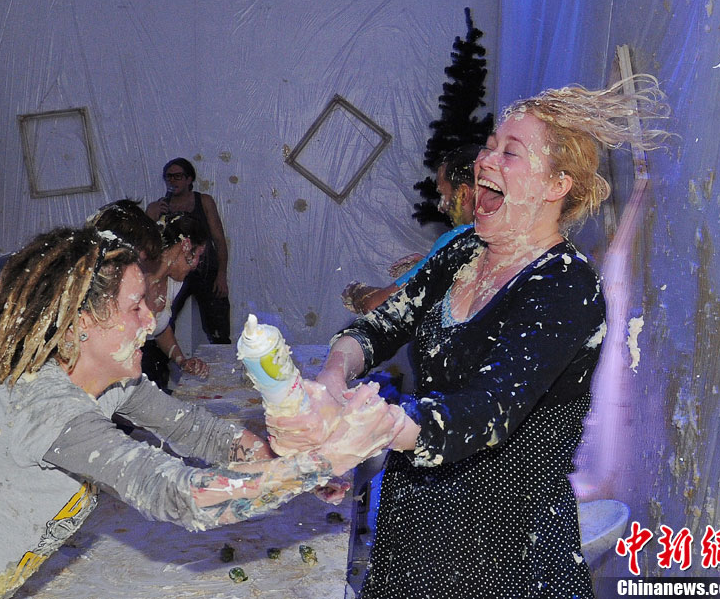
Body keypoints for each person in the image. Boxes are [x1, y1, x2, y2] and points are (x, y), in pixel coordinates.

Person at [0, 226, 404, 599]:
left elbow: (198, 432)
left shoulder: (110, 385)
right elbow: (175, 493)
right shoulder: (43, 407)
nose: (151, 322)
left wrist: (286, 461)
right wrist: (318, 464)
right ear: (82, 323)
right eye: (135, 306)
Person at [270, 75, 669, 598]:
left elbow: (486, 410)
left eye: (511, 152)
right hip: (417, 524)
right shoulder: (464, 253)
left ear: (556, 185)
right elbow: (382, 324)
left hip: (504, 545)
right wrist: (332, 375)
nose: (485, 161)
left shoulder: (566, 284)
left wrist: (369, 427)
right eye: (489, 145)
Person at [0, 200, 162, 457]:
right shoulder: (45, 289)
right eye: (134, 264)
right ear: (110, 254)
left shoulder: (47, 270)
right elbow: (44, 403)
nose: (136, 274)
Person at [341, 145, 482, 314]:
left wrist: (357, 293)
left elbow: (381, 307)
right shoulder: (500, 237)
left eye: (443, 195)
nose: (441, 208)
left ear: (463, 194)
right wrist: (430, 265)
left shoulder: (459, 239)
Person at [146, 157, 231, 344]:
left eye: (178, 176)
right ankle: (164, 358)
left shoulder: (204, 201)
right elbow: (147, 244)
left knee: (218, 327)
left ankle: (222, 360)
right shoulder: (158, 206)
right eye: (169, 177)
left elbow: (219, 239)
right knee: (163, 321)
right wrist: (150, 217)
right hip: (174, 273)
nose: (172, 181)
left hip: (206, 270)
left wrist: (221, 274)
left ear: (189, 179)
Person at [140, 212, 212, 390]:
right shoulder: (136, 277)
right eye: (198, 255)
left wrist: (182, 361)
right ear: (185, 245)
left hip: (142, 368)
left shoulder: (173, 281)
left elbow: (160, 328)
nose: (196, 264)